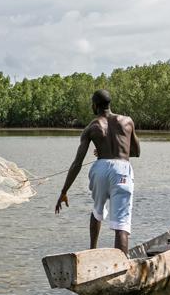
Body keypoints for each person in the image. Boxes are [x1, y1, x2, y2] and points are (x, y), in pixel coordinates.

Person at [53, 89, 141, 255]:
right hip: (122, 170)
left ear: (95, 106)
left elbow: (77, 163)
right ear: (109, 104)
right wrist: (117, 153)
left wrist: (64, 191)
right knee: (121, 225)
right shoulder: (127, 122)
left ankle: (92, 252)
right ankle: (121, 267)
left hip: (100, 168)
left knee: (97, 210)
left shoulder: (92, 127)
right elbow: (136, 152)